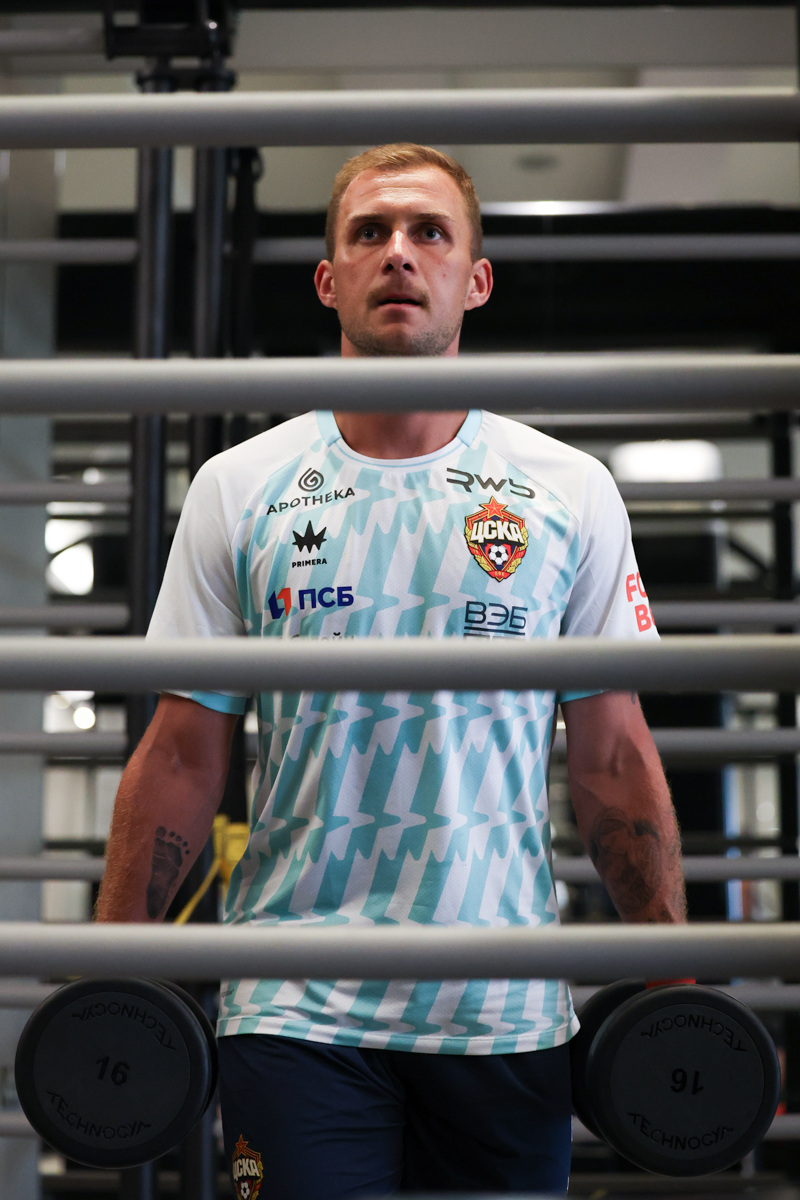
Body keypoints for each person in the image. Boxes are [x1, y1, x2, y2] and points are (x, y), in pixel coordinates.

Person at [96, 143, 686, 1199]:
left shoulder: (568, 490)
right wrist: (114, 971)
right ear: (329, 281)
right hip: (294, 1007)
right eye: (369, 233)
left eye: (429, 233)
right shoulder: (242, 487)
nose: (399, 254)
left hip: (503, 1013)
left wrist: (672, 978)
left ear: (476, 279)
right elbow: (181, 752)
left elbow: (611, 755)